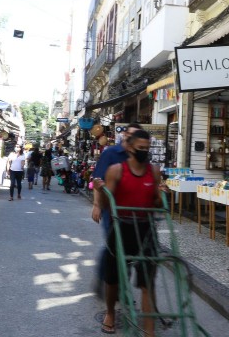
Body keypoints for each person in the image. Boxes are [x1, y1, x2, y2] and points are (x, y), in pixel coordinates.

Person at [96, 129, 162, 335]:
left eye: (147, 148)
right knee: (112, 276)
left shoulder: (154, 172)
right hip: (122, 226)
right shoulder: (116, 170)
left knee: (147, 280)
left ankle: (149, 328)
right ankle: (110, 313)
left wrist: (163, 194)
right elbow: (108, 203)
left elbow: (157, 202)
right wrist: (102, 191)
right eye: (140, 148)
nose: (144, 152)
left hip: (145, 227)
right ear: (130, 149)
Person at [90, 123, 142, 298]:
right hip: (111, 209)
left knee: (128, 249)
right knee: (113, 246)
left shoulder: (140, 155)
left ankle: (119, 284)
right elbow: (98, 180)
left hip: (132, 210)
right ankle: (104, 278)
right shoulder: (111, 153)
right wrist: (97, 205)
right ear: (125, 135)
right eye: (131, 135)